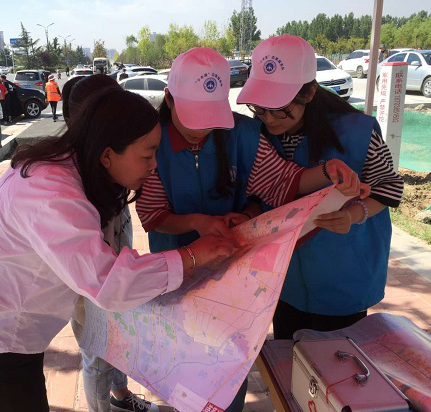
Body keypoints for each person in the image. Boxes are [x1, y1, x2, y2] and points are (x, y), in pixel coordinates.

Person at [0, 87, 236, 412]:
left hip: (9, 327)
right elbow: (109, 281)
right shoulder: (51, 193)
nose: (154, 165)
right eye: (147, 155)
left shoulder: (69, 167)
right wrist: (192, 256)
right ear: (107, 154)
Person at [135, 47, 368, 412]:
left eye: (210, 118)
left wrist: (327, 172)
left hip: (233, 274)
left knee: (228, 366)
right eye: (191, 117)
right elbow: (151, 213)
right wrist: (197, 222)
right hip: (178, 269)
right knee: (182, 364)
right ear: (169, 99)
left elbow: (280, 182)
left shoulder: (241, 134)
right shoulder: (152, 141)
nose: (200, 130)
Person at [236, 34, 404, 339]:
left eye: (279, 108)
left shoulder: (356, 132)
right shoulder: (257, 135)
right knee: (288, 354)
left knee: (336, 361)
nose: (269, 119)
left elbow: (389, 187)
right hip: (284, 280)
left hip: (343, 278)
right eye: (259, 108)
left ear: (309, 92)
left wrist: (353, 214)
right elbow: (258, 190)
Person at [65, 74, 158, 412]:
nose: (153, 166)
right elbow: (92, 271)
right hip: (94, 290)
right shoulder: (76, 186)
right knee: (97, 356)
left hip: (116, 279)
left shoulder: (112, 167)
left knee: (118, 345)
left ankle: (121, 397)